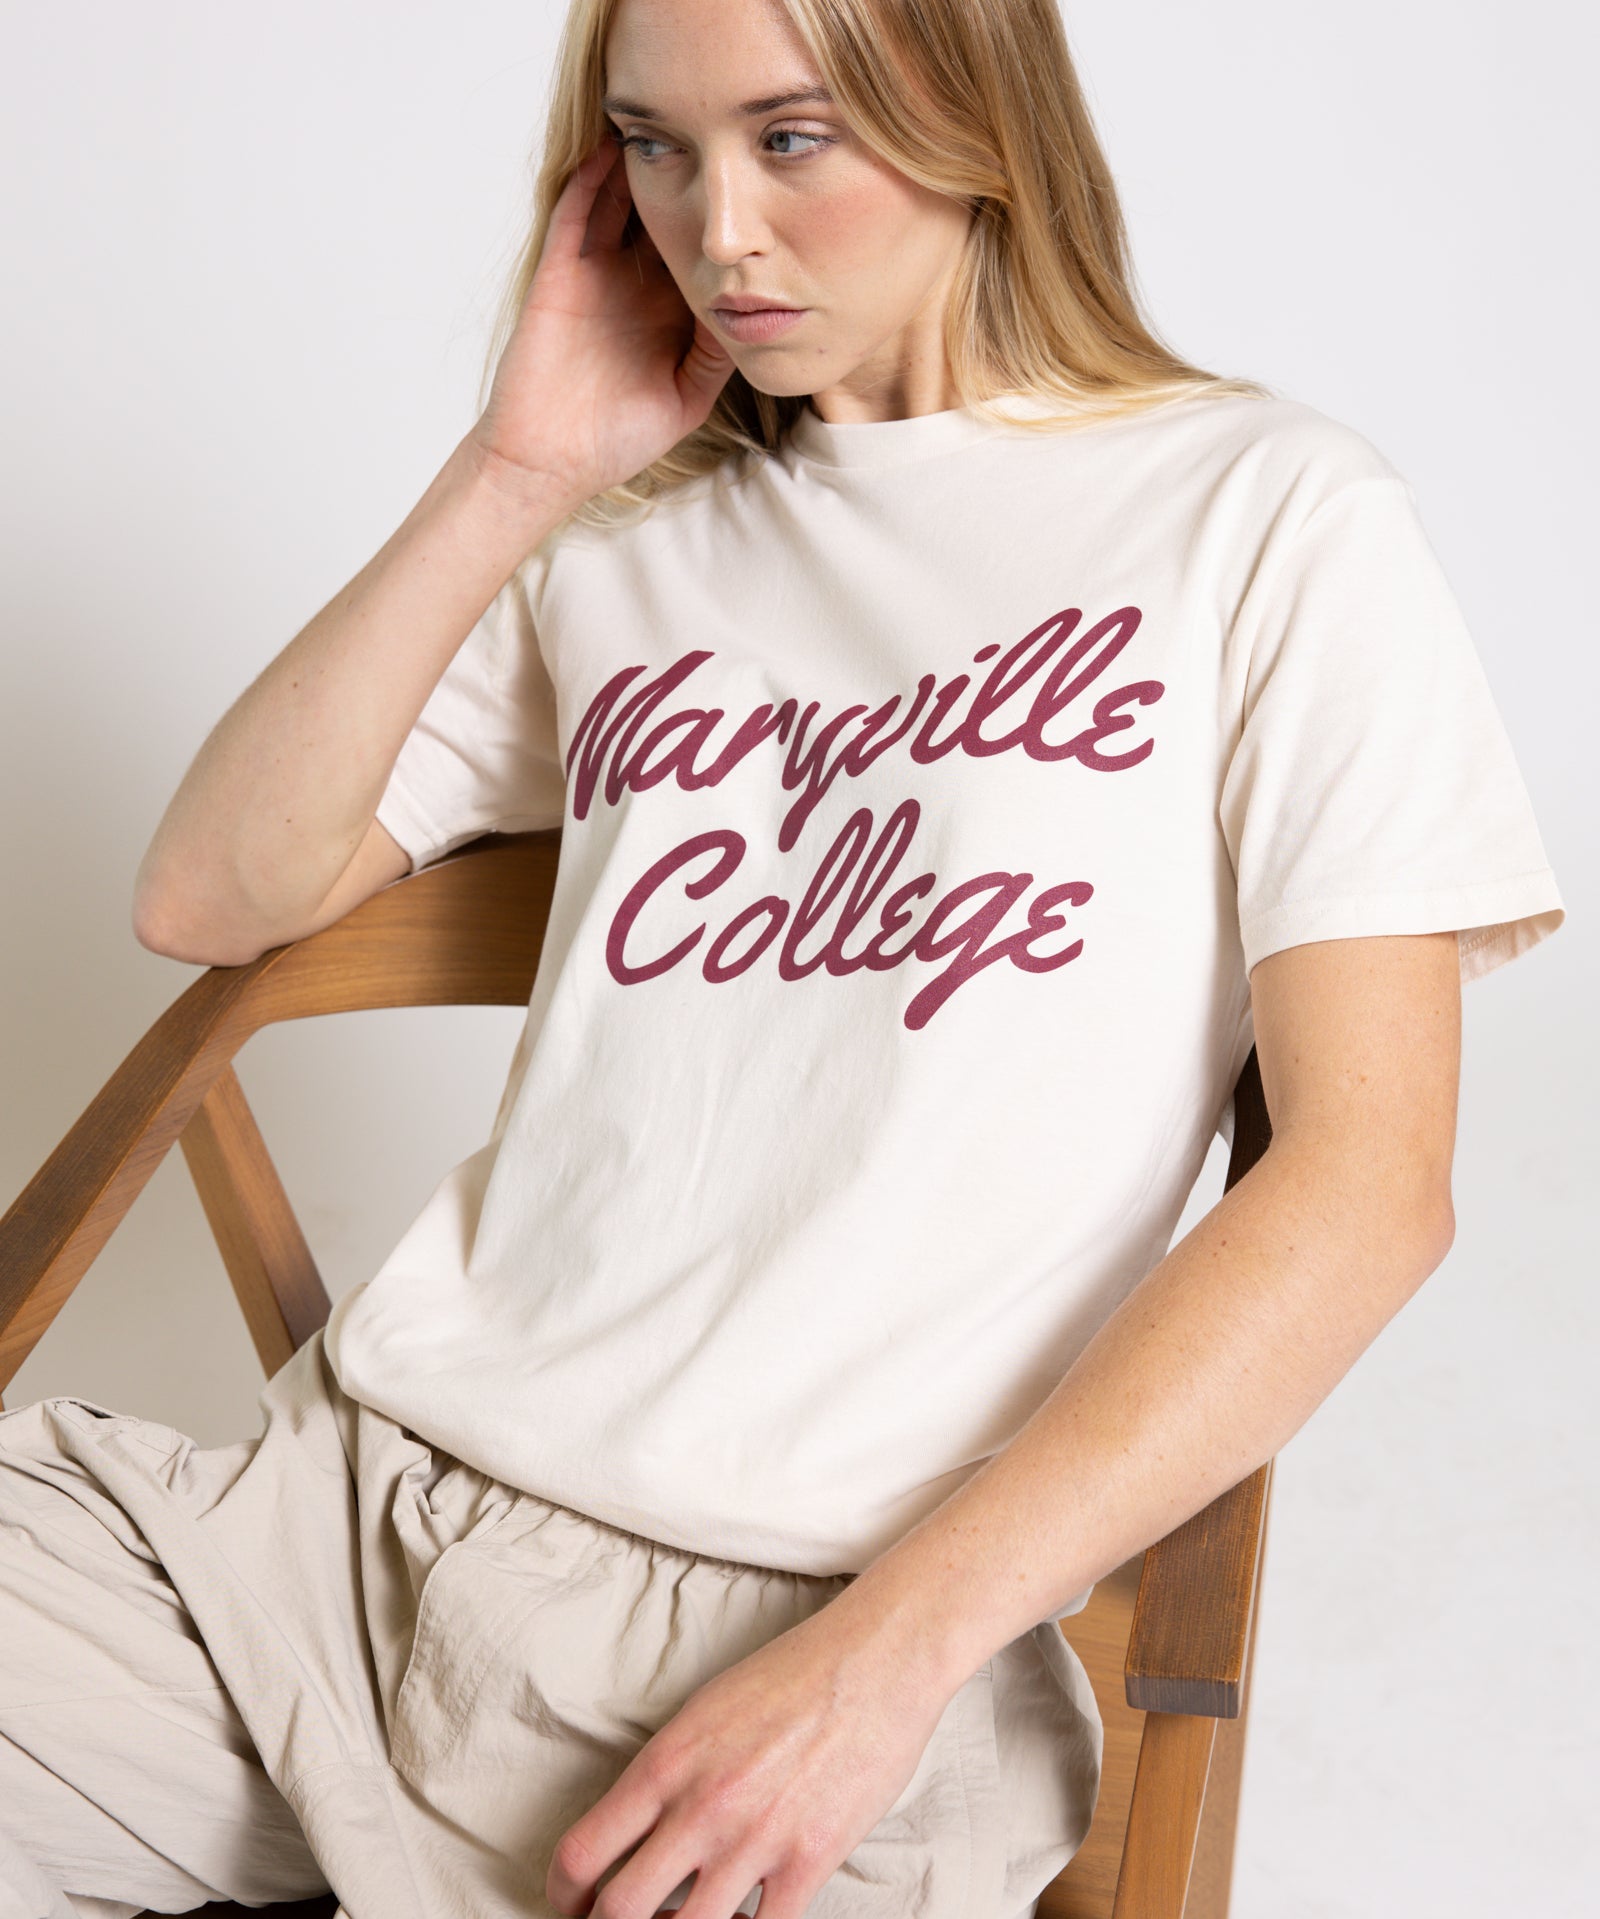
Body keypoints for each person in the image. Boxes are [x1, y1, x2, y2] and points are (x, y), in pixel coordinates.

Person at [0, 0, 1566, 1916]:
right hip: (330, 1536)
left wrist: (884, 1662)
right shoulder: (627, 532)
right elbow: (210, 895)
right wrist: (516, 464)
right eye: (653, 147)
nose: (716, 228)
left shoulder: (1266, 519)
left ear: (975, 117)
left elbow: (1368, 1187)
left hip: (812, 1642)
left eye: (793, 139)